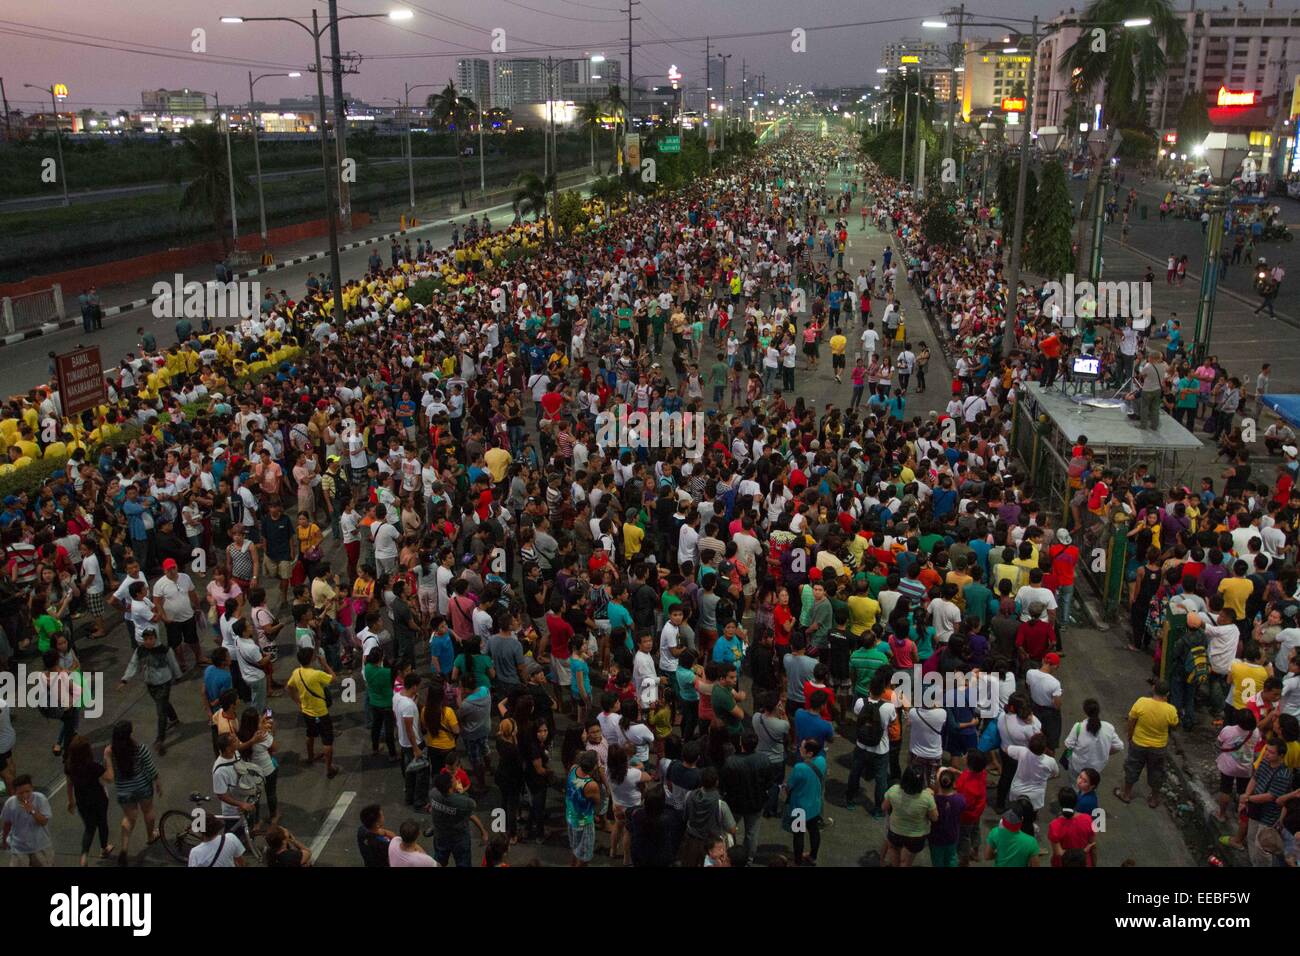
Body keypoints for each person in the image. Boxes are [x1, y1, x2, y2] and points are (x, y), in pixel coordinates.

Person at [103, 720, 161, 867]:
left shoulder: (109, 751)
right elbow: (150, 768)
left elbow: (109, 776)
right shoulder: (139, 748)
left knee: (129, 818)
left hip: (124, 789)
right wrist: (158, 783)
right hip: (143, 786)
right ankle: (150, 836)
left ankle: (124, 848)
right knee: (148, 811)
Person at [1117, 680, 1179, 808]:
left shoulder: (1142, 702)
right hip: (1158, 747)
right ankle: (1154, 799)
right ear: (1167, 694)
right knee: (1156, 772)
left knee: (1132, 767)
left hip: (1138, 742)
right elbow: (1174, 724)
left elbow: (1131, 721)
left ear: (1153, 688)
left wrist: (1130, 735)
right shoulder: (1170, 709)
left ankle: (1126, 794)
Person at [286, 646, 339, 779]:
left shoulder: (296, 672)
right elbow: (333, 678)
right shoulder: (316, 674)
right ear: (311, 659)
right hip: (320, 712)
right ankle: (329, 768)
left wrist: (298, 702)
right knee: (327, 741)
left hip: (307, 711)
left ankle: (310, 757)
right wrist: (325, 664)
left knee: (310, 733)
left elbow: (289, 687)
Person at [63, 735, 113, 866]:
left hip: (82, 801)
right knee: (102, 823)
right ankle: (104, 848)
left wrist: (71, 800)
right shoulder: (92, 766)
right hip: (98, 798)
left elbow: (69, 785)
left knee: (89, 828)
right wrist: (108, 759)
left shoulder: (69, 766)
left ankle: (84, 855)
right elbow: (109, 778)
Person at [882, 765, 938, 867]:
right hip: (916, 836)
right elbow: (934, 817)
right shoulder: (927, 797)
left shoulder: (893, 790)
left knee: (893, 850)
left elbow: (884, 807)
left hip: (895, 831)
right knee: (906, 862)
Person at [783, 738, 827, 866]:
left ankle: (797, 862)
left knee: (798, 835)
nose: (799, 749)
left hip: (799, 808)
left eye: (802, 748)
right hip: (815, 805)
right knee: (814, 831)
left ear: (810, 753)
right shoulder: (821, 761)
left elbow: (789, 786)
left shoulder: (799, 767)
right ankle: (813, 856)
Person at [0, 774, 54, 867]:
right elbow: (7, 823)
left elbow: (43, 822)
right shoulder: (10, 803)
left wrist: (32, 810)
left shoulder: (40, 799)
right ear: (14, 791)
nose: (25, 795)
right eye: (21, 793)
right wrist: (4, 840)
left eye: (27, 791)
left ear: (32, 789)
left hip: (40, 846)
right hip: (19, 847)